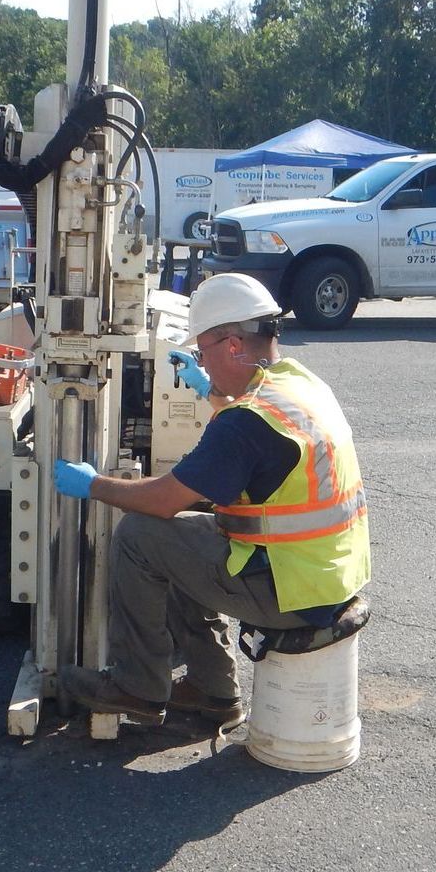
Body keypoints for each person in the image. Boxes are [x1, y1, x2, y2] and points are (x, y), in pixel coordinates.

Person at [52, 273, 370, 727]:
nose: (203, 361)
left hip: (293, 594)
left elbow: (163, 500)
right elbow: (261, 441)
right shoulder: (300, 385)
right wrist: (211, 390)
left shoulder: (245, 422)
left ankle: (138, 686)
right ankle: (214, 691)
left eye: (204, 352)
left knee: (142, 535)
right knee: (188, 533)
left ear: (233, 345)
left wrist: (94, 485)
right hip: (323, 574)